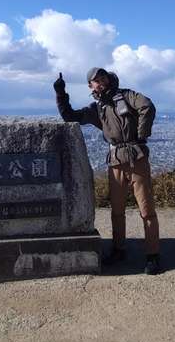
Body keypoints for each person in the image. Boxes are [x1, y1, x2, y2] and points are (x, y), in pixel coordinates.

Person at [53, 67, 161, 275]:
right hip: (115, 160)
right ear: (90, 86)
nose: (101, 81)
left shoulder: (127, 95)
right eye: (96, 80)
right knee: (117, 211)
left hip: (136, 158)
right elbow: (70, 116)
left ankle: (152, 255)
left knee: (147, 210)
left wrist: (140, 135)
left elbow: (147, 106)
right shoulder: (98, 108)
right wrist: (60, 93)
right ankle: (119, 249)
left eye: (103, 77)